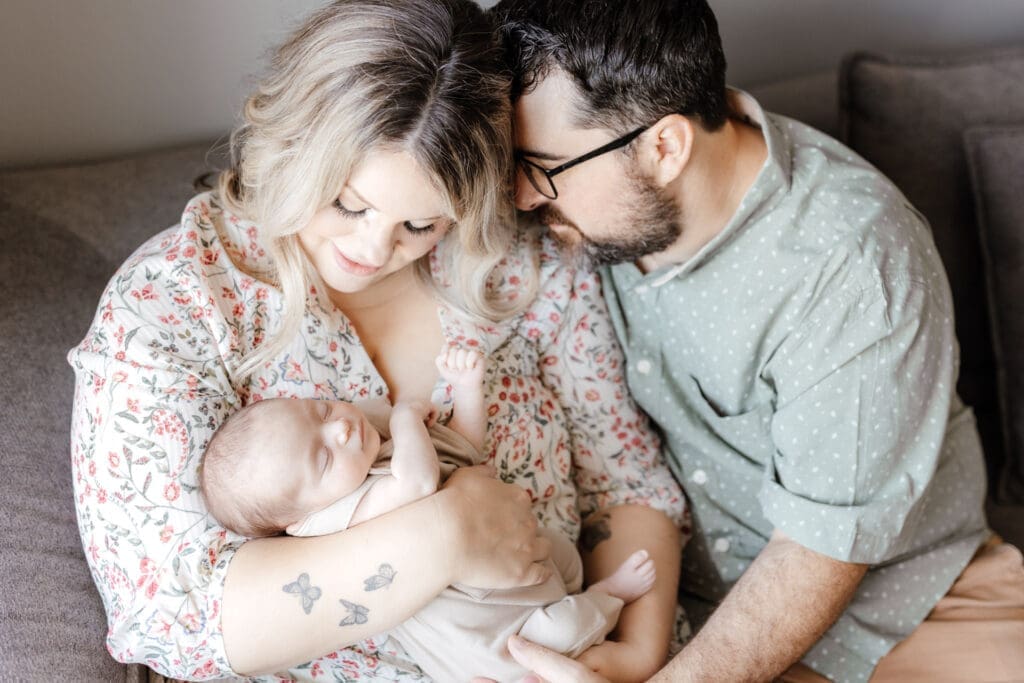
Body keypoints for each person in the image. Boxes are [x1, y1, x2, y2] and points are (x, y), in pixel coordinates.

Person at [67, 0, 685, 680]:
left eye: (420, 224)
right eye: (348, 204)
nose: (372, 247)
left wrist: (635, 657)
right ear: (293, 143)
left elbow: (623, 481)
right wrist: (443, 535)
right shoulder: (177, 301)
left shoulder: (522, 267)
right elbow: (172, 610)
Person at [490, 0, 1024, 681]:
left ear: (665, 148)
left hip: (913, 604)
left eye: (542, 167)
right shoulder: (592, 219)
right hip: (689, 613)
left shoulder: (852, 266)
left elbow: (818, 549)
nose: (523, 197)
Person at [200, 347, 659, 682]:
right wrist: (404, 419)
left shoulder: (375, 456)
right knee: (562, 630)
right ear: (298, 521)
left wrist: (467, 390)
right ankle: (608, 596)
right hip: (501, 644)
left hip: (520, 574)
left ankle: (584, 593)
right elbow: (418, 484)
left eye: (318, 410)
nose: (338, 427)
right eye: (322, 458)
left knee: (559, 549)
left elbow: (464, 449)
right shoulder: (336, 518)